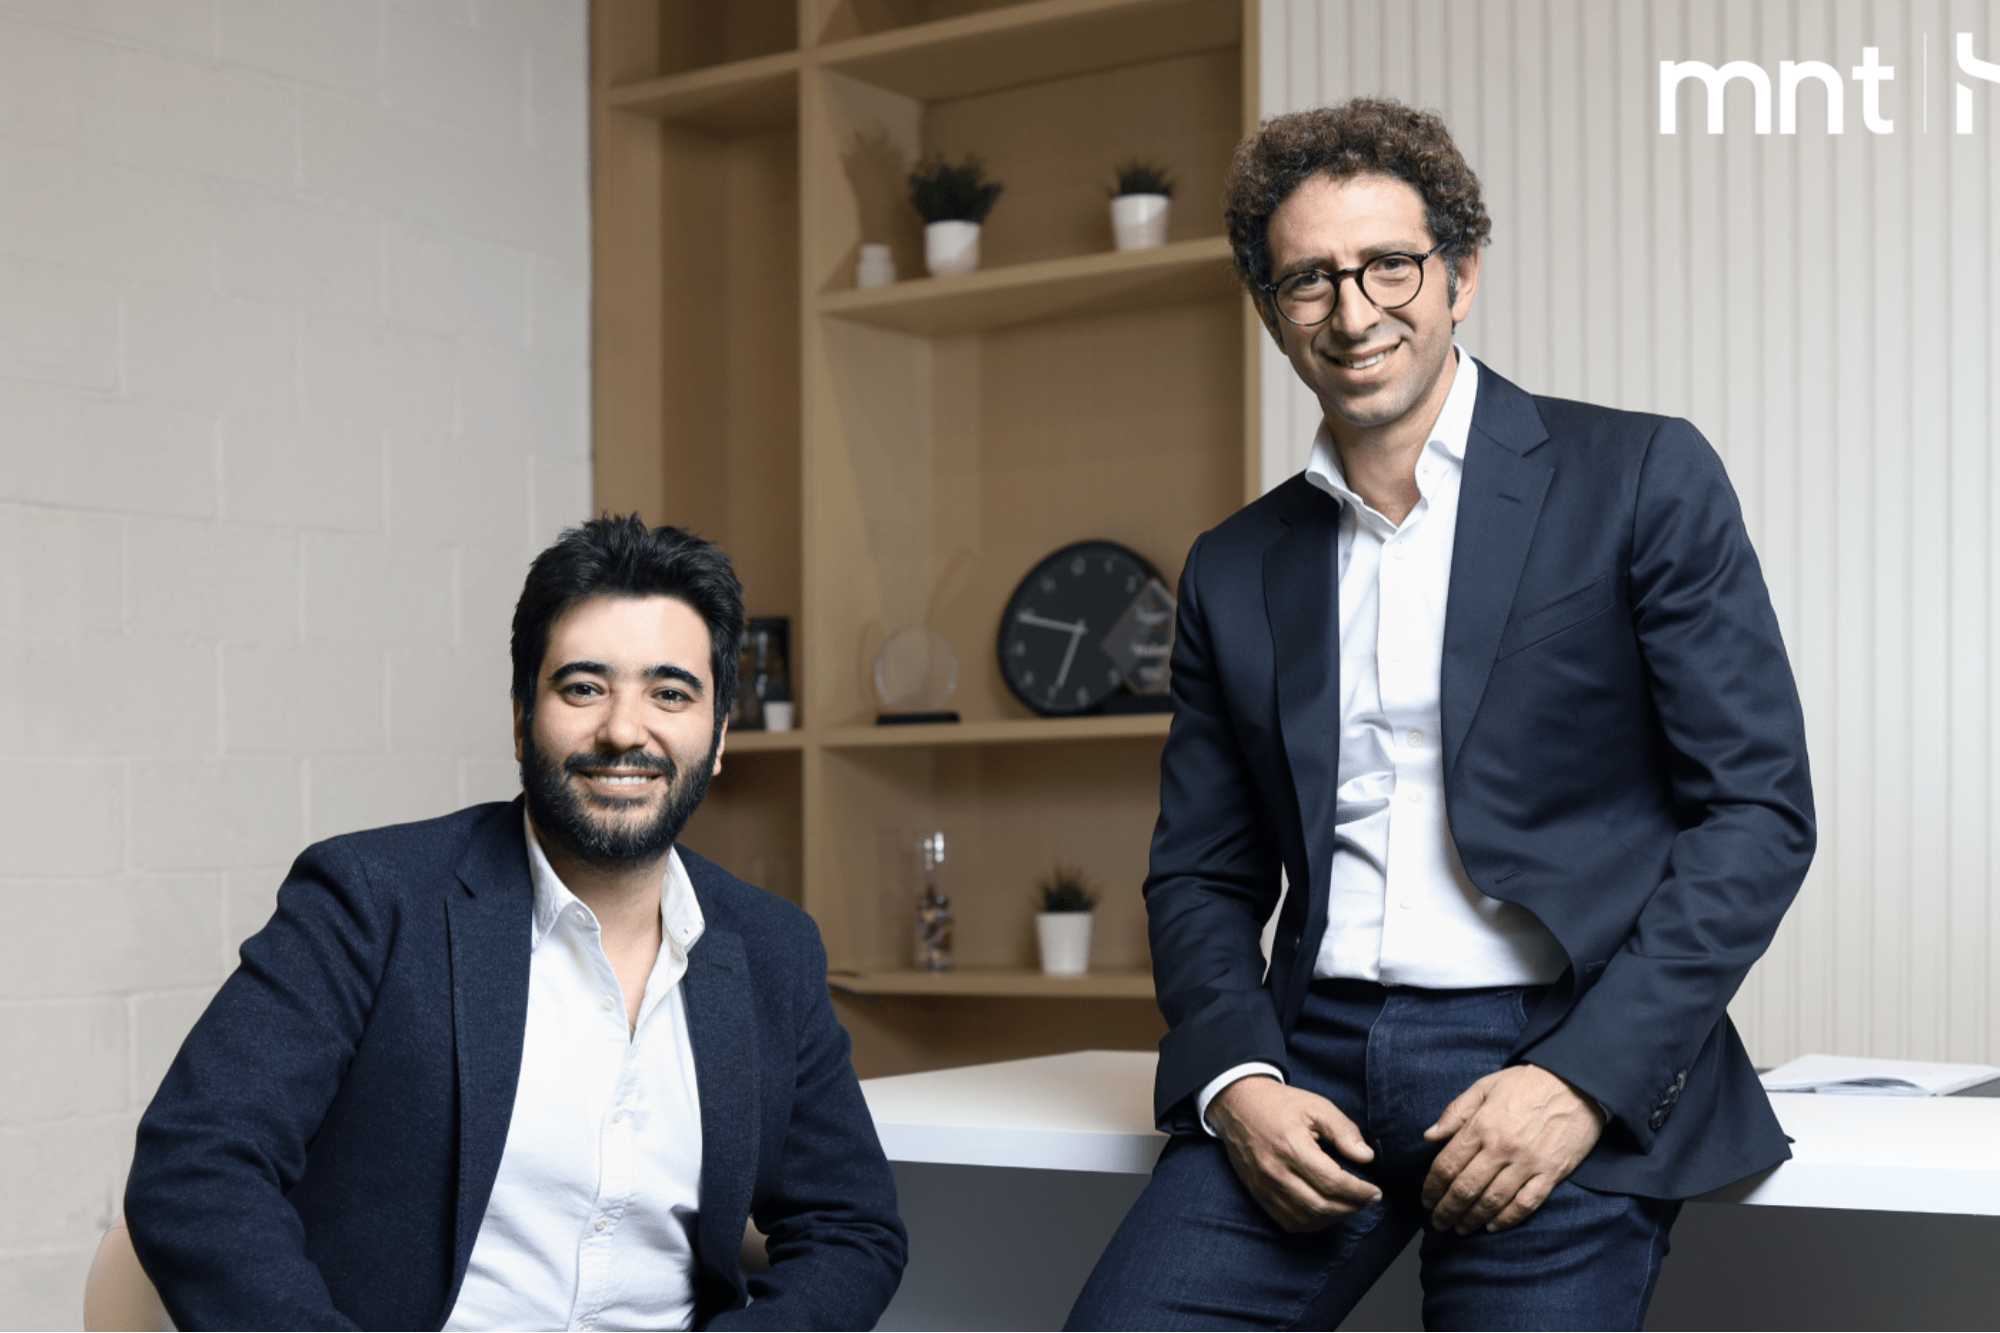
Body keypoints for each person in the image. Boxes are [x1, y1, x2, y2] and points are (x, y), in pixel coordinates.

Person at [1067, 98, 1815, 1331]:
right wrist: (1236, 1076)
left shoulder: (1636, 476)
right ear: (1269, 310)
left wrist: (1579, 1080)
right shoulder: (1231, 565)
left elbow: (1755, 813)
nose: (1351, 311)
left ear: (1460, 276)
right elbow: (1200, 870)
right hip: (1304, 1063)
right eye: (1307, 279)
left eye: (1388, 265)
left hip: (1552, 1044)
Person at [125, 515, 906, 1331]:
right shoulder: (372, 900)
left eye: (670, 693)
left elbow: (851, 1227)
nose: (624, 729)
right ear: (520, 718)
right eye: (584, 687)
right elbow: (198, 1161)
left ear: (716, 737)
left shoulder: (773, 947)